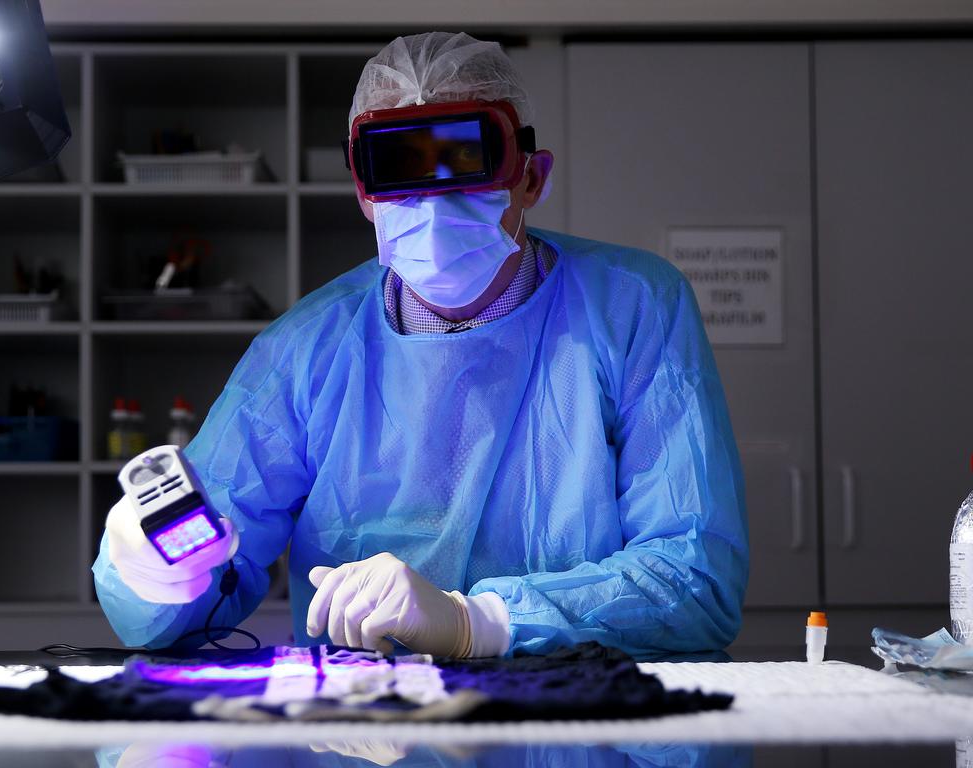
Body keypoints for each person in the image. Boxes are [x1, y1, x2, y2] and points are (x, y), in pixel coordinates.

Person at [94, 31, 748, 659]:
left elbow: (693, 577)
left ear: (531, 177)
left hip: (582, 724)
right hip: (366, 728)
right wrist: (154, 575)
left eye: (462, 163)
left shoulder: (633, 307)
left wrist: (478, 623)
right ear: (363, 192)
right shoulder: (303, 352)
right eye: (401, 169)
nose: (432, 203)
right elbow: (207, 582)